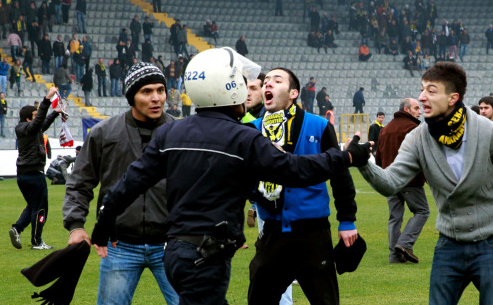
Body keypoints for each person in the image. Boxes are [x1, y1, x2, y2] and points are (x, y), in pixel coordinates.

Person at [88, 48, 369, 305]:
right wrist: (346, 156)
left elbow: (129, 183)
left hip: (174, 253)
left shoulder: (170, 133)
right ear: (229, 88)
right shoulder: (243, 137)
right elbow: (294, 171)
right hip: (207, 255)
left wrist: (102, 225)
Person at [355, 62, 493, 305]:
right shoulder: (417, 138)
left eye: (431, 90)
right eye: (421, 89)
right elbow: (391, 182)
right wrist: (364, 162)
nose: (421, 97)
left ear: (452, 98)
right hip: (449, 243)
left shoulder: (491, 132)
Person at [63, 62, 179, 305]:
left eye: (160, 90)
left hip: (174, 244)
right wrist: (75, 225)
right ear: (131, 96)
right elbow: (79, 182)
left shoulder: (182, 133)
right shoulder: (104, 133)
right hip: (119, 245)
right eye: (146, 92)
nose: (156, 98)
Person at [247, 66, 360, 304]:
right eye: (266, 80)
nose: (268, 84)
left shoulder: (319, 126)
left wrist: (347, 220)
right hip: (273, 233)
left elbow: (340, 176)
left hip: (313, 234)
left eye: (277, 81)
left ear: (293, 94)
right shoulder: (252, 131)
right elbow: (244, 180)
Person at [10, 87, 64, 250]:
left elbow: (42, 122)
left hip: (24, 175)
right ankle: (37, 241)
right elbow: (40, 120)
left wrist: (56, 113)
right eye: (34, 117)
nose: (37, 119)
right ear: (28, 118)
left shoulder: (27, 130)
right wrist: (47, 99)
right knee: (41, 208)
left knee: (32, 206)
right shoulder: (26, 128)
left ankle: (17, 228)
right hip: (34, 174)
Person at [376, 98, 429, 264]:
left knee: (394, 218)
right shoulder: (414, 129)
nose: (419, 111)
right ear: (407, 110)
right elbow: (423, 157)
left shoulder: (385, 130)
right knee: (422, 211)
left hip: (389, 181)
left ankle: (394, 256)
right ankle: (404, 244)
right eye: (416, 108)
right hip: (409, 181)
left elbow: (378, 159)